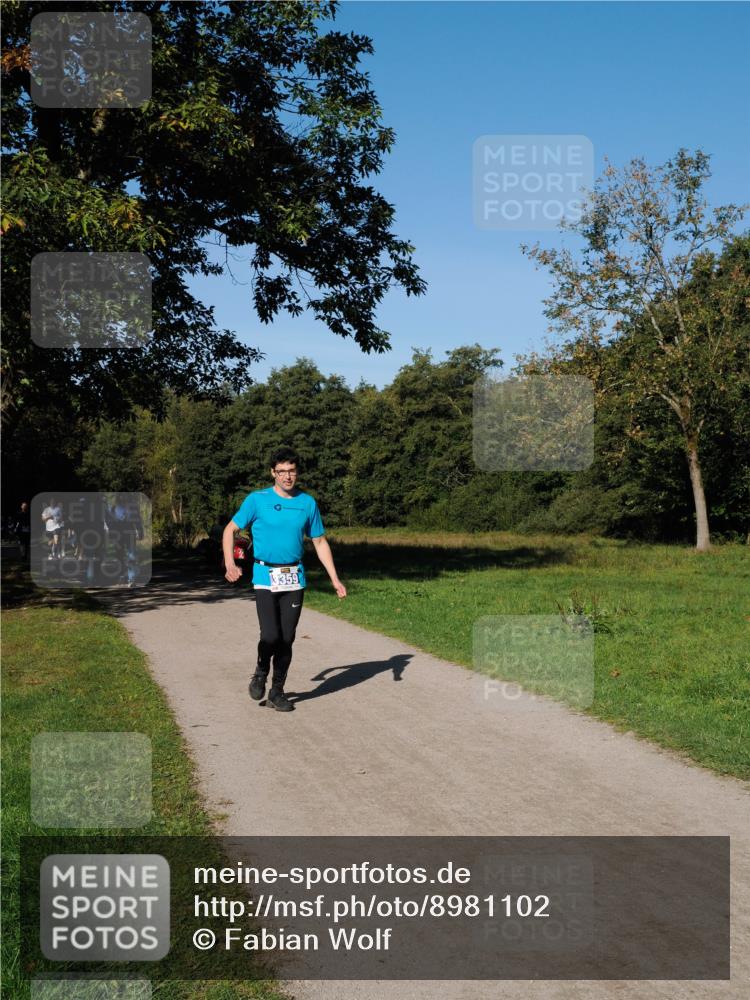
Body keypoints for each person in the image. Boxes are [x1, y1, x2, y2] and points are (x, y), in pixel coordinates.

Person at [223, 447, 347, 712]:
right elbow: (230, 530)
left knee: (286, 638)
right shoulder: (257, 500)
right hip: (265, 575)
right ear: (273, 473)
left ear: (297, 472)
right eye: (282, 471)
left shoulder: (307, 503)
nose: (287, 476)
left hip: (294, 577)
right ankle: (260, 670)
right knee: (270, 635)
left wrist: (335, 579)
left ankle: (277, 691)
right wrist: (230, 563)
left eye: (291, 471)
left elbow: (320, 541)